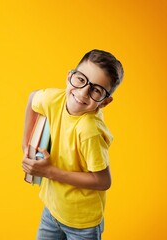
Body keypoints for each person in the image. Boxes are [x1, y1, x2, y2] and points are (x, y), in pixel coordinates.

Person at [21, 49, 124, 240]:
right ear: (70, 76)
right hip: (53, 211)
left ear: (105, 102)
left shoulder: (89, 130)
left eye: (96, 90)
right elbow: (32, 97)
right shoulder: (54, 99)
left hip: (82, 224)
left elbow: (103, 181)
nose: (83, 93)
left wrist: (49, 171)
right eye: (81, 79)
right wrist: (27, 144)